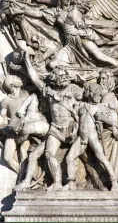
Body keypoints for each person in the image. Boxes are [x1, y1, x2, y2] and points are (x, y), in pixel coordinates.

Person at [23, 50, 83, 191]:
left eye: (64, 76)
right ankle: (57, 182)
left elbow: (86, 103)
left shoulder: (74, 89)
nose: (63, 78)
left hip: (71, 128)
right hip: (55, 128)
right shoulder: (48, 91)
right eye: (60, 76)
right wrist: (26, 60)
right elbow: (34, 77)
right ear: (54, 78)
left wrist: (82, 81)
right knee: (49, 153)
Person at [65, 83, 118, 191]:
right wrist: (74, 133)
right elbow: (77, 122)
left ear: (91, 93)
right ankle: (71, 183)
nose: (84, 91)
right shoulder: (81, 105)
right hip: (82, 137)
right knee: (69, 157)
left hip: (92, 136)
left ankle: (114, 182)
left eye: (86, 90)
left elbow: (113, 121)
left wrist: (103, 118)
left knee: (102, 158)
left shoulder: (100, 107)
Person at [0, 75, 29, 174]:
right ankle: (23, 175)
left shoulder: (25, 94)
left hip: (25, 129)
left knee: (23, 154)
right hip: (11, 131)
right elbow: (0, 117)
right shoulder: (5, 101)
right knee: (7, 157)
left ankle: (27, 178)